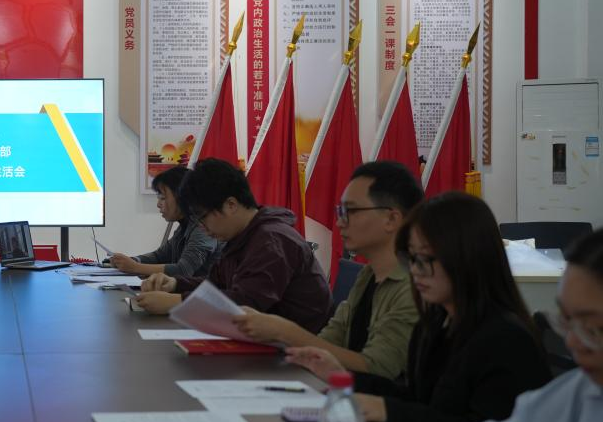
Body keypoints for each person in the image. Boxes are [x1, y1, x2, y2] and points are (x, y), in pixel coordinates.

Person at [287, 192, 551, 422]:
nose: (415, 270)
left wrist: (388, 410)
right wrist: (344, 377)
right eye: (411, 258)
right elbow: (419, 400)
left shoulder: (505, 339)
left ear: (466, 256)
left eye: (425, 259)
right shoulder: (436, 324)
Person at [390, 228, 603, 422]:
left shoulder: (503, 337)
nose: (572, 343)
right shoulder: (579, 393)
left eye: (594, 329)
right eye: (566, 320)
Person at [231, 161, 422, 380]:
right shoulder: (368, 275)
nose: (340, 223)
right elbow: (330, 342)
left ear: (391, 219)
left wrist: (284, 331)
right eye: (340, 211)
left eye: (350, 211)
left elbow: (378, 369)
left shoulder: (416, 286)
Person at [134, 158, 332, 333]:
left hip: (298, 350)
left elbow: (247, 303)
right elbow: (216, 284)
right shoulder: (240, 236)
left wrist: (175, 302)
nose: (202, 228)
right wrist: (175, 284)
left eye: (203, 217)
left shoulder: (271, 240)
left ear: (231, 205)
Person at [109, 166, 218, 279]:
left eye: (162, 198)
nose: (158, 204)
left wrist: (134, 267)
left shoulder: (203, 228)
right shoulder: (184, 226)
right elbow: (159, 256)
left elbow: (183, 270)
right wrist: (131, 260)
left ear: (182, 197)